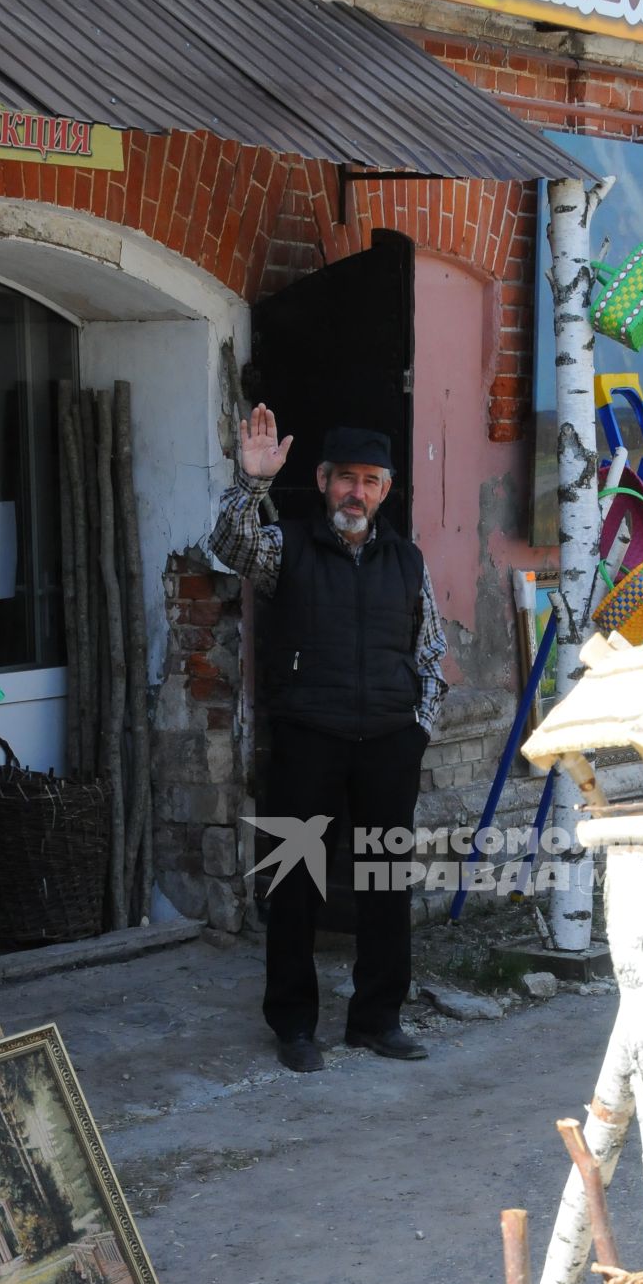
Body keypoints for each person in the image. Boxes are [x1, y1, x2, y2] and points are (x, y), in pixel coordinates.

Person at [210, 410, 448, 1072]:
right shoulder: (284, 545)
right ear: (321, 480)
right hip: (308, 737)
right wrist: (250, 484)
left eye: (371, 482)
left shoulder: (407, 559)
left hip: (388, 743)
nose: (357, 493)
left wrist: (419, 724)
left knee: (384, 881)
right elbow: (228, 546)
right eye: (346, 479)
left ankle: (377, 1020)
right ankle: (294, 1027)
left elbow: (430, 649)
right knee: (294, 883)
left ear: (385, 490)